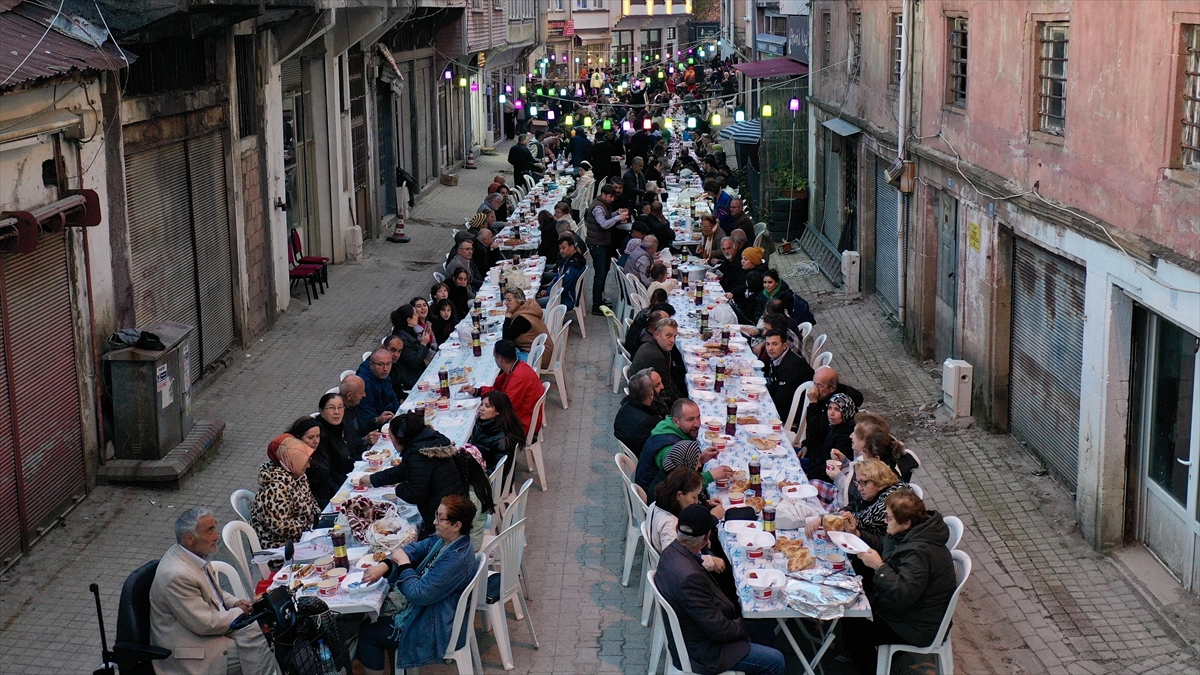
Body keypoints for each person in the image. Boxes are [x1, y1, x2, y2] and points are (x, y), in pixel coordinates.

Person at [654, 505, 786, 675]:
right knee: (775, 660)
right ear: (706, 537)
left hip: (697, 632)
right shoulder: (689, 578)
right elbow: (719, 629)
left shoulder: (671, 551)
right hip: (703, 651)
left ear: (677, 529)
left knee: (764, 630)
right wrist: (742, 628)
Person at [355, 495, 479, 675]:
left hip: (433, 623)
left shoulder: (456, 559)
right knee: (374, 617)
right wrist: (385, 565)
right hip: (432, 608)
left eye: (441, 518)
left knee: (368, 633)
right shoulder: (446, 540)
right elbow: (414, 549)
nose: (435, 521)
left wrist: (404, 563)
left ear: (457, 525)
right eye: (437, 515)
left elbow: (419, 594)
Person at [150, 508, 280, 675]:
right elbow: (206, 624)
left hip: (207, 631)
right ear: (189, 538)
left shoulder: (194, 554)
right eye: (209, 531)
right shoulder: (177, 575)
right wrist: (239, 611)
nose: (216, 536)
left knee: (265, 627)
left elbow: (212, 592)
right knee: (264, 642)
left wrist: (234, 603)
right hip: (191, 652)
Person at [839, 490, 956, 675]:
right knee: (855, 604)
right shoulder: (913, 533)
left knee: (853, 630)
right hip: (908, 613)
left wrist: (879, 567)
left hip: (915, 626)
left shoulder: (919, 552)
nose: (886, 521)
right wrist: (857, 533)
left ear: (906, 522)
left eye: (890, 518)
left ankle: (873, 669)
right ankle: (876, 660)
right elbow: (884, 544)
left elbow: (903, 593)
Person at [356, 412, 468, 538]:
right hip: (456, 511)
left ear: (400, 438)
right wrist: (372, 479)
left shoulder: (418, 455)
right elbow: (403, 470)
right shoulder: (427, 442)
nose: (391, 441)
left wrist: (399, 487)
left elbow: (416, 495)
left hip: (446, 524)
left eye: (391, 437)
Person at [250, 429, 322, 548]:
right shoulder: (275, 488)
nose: (308, 465)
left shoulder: (297, 474)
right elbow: (279, 526)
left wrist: (317, 516)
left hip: (304, 535)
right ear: (290, 460)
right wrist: (309, 523)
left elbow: (310, 500)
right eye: (302, 461)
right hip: (282, 547)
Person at [464, 340, 544, 436]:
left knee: (477, 426)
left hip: (521, 425)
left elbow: (504, 406)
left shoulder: (518, 378)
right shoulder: (519, 366)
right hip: (523, 416)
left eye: (494, 357)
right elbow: (499, 393)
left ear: (500, 360)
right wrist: (476, 391)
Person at [633, 398, 700, 490]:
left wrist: (699, 459)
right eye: (690, 420)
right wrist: (711, 476)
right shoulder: (669, 448)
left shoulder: (666, 426)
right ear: (676, 421)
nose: (697, 424)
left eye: (698, 417)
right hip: (653, 497)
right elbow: (683, 487)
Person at [801, 366, 864, 459]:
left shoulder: (837, 406)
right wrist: (806, 445)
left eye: (819, 386)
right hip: (815, 452)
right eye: (814, 384)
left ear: (832, 388)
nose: (814, 390)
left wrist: (813, 403)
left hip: (822, 459)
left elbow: (815, 430)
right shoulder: (825, 396)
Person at [310, 393, 360, 508]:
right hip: (337, 487)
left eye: (340, 407)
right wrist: (347, 485)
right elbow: (329, 470)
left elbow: (350, 449)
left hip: (350, 475)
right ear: (322, 411)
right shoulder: (319, 435)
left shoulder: (342, 425)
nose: (337, 412)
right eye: (331, 408)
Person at [584, 185, 629, 312]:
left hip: (602, 242)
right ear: (603, 195)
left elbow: (606, 217)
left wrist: (616, 213)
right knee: (599, 274)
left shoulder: (603, 205)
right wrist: (618, 218)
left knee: (603, 272)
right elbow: (603, 224)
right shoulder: (598, 207)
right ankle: (596, 305)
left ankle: (600, 299)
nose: (612, 199)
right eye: (610, 196)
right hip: (597, 244)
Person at [628, 317, 686, 407]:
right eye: (668, 336)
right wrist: (683, 405)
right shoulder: (655, 356)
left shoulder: (653, 346)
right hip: (645, 400)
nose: (673, 341)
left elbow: (669, 380)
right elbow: (667, 390)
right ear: (657, 335)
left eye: (675, 336)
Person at [759, 329, 814, 421]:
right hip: (786, 402)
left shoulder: (790, 367)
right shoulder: (777, 357)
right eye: (768, 344)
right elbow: (773, 386)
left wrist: (760, 400)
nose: (770, 348)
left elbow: (781, 400)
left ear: (784, 346)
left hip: (795, 411)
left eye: (775, 344)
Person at [802, 392, 857, 481]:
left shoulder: (845, 436)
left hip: (824, 475)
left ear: (846, 412)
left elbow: (830, 467)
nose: (831, 413)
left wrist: (810, 473)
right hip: (816, 463)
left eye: (837, 410)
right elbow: (817, 436)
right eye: (830, 408)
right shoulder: (832, 425)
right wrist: (806, 445)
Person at [469, 390, 526, 475]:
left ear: (498, 411)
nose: (481, 408)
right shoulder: (481, 424)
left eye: (487, 406)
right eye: (482, 404)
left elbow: (500, 471)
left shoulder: (503, 439)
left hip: (488, 479)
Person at [614, 368, 667, 457]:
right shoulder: (648, 423)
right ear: (651, 394)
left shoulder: (624, 408)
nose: (662, 387)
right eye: (657, 385)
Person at [502, 288, 553, 368]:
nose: (506, 303)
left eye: (509, 300)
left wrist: (507, 318)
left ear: (519, 300)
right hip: (542, 352)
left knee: (503, 357)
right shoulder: (528, 309)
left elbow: (505, 339)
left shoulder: (522, 319)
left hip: (538, 357)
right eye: (506, 300)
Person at [356, 347, 401, 432]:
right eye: (380, 364)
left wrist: (398, 414)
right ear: (371, 365)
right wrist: (379, 420)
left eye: (388, 364)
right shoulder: (365, 385)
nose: (385, 369)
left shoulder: (384, 375)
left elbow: (393, 397)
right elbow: (367, 416)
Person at [539, 234, 587, 310]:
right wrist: (547, 291)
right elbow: (558, 279)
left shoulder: (573, 265)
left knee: (536, 303)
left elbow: (564, 286)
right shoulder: (567, 259)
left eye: (564, 248)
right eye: (560, 248)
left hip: (566, 298)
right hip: (561, 294)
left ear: (571, 247)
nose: (561, 251)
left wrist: (548, 292)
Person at [391, 305, 432, 392]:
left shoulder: (407, 330)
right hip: (411, 378)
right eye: (415, 314)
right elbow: (415, 362)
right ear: (409, 320)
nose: (418, 316)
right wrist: (423, 344)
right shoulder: (402, 340)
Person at [340, 374, 383, 448]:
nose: (364, 395)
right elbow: (345, 447)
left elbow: (362, 427)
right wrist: (365, 440)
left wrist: (377, 420)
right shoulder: (338, 416)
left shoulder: (353, 405)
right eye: (361, 392)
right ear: (350, 396)